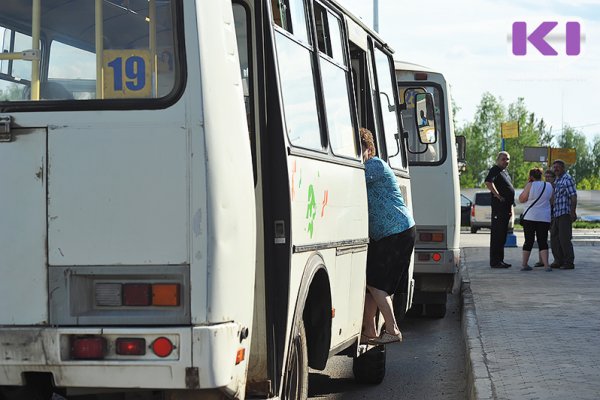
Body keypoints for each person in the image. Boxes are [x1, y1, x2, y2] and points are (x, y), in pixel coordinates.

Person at [359, 128, 416, 345]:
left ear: (369, 149)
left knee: (376, 284)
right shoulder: (370, 166)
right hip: (387, 235)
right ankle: (370, 332)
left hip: (397, 232)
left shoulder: (375, 166)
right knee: (371, 284)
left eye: (360, 149)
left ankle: (392, 329)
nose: (358, 154)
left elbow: (352, 178)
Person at [518, 168, 554, 271]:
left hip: (530, 217)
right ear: (541, 176)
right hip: (544, 217)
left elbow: (521, 199)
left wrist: (528, 185)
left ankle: (524, 264)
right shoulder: (548, 185)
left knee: (528, 241)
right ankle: (546, 265)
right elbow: (552, 201)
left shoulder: (530, 185)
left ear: (531, 177)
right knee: (543, 241)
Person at [484, 151, 515, 268]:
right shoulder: (495, 170)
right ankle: (495, 261)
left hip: (506, 208)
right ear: (498, 160)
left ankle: (500, 260)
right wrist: (497, 195)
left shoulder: (505, 172)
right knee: (497, 235)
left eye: (507, 159)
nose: (506, 161)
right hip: (499, 209)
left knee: (502, 236)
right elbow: (488, 182)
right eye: (503, 159)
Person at [550, 159, 577, 269]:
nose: (555, 169)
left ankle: (569, 262)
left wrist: (572, 211)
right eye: (554, 167)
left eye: (558, 167)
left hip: (565, 214)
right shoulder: (557, 180)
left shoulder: (567, 179)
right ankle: (558, 260)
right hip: (556, 213)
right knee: (554, 238)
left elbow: (573, 196)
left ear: (563, 168)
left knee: (564, 239)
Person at [534, 169, 556, 268]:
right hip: (543, 215)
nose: (547, 178)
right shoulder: (543, 186)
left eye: (549, 177)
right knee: (541, 238)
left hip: (553, 214)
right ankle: (541, 260)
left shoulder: (554, 187)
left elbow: (553, 201)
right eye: (545, 177)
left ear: (553, 178)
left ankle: (557, 260)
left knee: (554, 238)